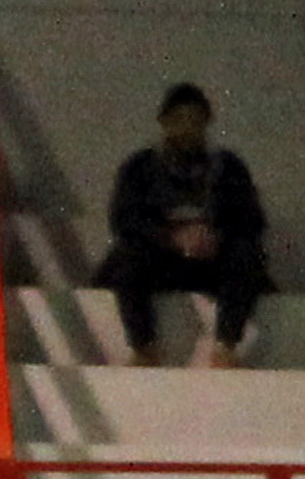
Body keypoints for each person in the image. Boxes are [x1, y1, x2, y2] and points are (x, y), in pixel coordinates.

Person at [100, 84, 273, 367]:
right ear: (164, 122)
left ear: (206, 122)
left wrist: (216, 237)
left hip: (213, 263)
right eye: (179, 119)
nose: (188, 128)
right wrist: (171, 237)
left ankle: (225, 347)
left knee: (246, 255)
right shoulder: (140, 166)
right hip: (160, 262)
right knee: (127, 257)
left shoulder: (229, 167)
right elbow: (124, 218)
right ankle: (144, 349)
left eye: (195, 120)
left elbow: (251, 219)